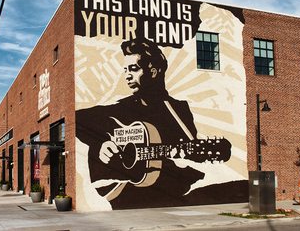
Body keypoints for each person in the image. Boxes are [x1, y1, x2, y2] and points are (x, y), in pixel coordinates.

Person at [76, 36, 246, 209]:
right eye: (125, 70)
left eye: (133, 69)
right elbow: (77, 119)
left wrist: (183, 155)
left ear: (153, 70)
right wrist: (101, 142)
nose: (127, 75)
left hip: (167, 190)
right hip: (125, 190)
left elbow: (190, 153)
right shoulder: (121, 108)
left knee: (242, 188)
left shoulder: (178, 111)